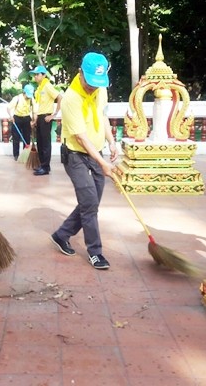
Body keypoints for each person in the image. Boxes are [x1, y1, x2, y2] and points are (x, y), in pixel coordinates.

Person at [50, 52, 118, 270]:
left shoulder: (101, 89)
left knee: (91, 202)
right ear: (80, 72)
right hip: (76, 155)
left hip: (97, 151)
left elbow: (104, 116)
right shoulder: (71, 98)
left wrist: (112, 142)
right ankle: (95, 252)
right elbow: (81, 137)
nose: (92, 88)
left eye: (97, 84)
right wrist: (103, 163)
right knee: (89, 203)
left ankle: (62, 234)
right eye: (89, 83)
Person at [29, 65, 62, 175]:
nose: (35, 77)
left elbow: (59, 97)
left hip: (46, 117)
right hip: (40, 117)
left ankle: (46, 167)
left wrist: (54, 114)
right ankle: (42, 164)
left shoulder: (47, 86)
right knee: (40, 143)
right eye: (35, 75)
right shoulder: (40, 88)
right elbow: (39, 106)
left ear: (43, 75)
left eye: (37, 74)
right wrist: (35, 120)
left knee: (46, 143)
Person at [7, 84, 36, 160]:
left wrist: (33, 121)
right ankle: (16, 155)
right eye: (28, 95)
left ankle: (25, 155)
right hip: (17, 118)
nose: (29, 96)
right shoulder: (17, 98)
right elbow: (8, 108)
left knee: (26, 138)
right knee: (16, 137)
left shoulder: (31, 99)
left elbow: (34, 110)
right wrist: (11, 117)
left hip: (27, 118)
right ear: (24, 92)